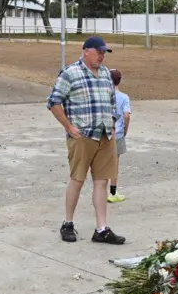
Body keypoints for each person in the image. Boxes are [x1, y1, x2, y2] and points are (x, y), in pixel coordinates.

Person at [47, 36, 125, 245]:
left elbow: (111, 101)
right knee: (78, 179)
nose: (102, 56)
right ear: (86, 51)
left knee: (102, 182)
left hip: (105, 135)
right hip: (82, 136)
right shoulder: (70, 73)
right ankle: (68, 223)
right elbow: (54, 102)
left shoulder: (106, 74)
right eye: (99, 52)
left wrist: (113, 120)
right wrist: (69, 127)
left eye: (104, 53)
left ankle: (101, 229)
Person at [107, 68, 131, 203]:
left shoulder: (104, 95)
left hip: (105, 133)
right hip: (118, 133)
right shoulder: (124, 97)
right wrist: (125, 129)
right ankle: (113, 192)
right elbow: (126, 115)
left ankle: (100, 189)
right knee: (115, 163)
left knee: (103, 162)